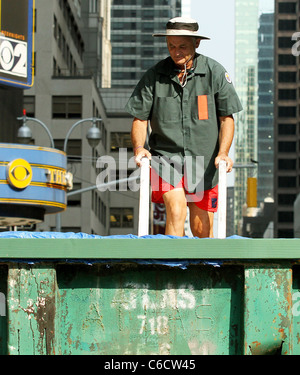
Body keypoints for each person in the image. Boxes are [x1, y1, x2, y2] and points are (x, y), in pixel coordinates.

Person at [125, 17, 243, 238]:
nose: (176, 52)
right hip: (165, 158)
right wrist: (139, 148)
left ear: (196, 43)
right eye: (171, 46)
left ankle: (201, 270)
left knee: (201, 228)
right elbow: (140, 119)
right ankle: (173, 268)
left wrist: (223, 153)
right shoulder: (154, 76)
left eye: (182, 47)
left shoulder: (214, 72)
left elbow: (227, 118)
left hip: (205, 161)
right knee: (176, 210)